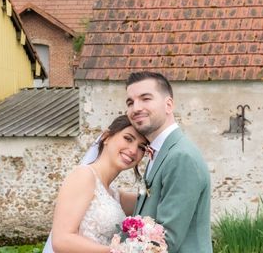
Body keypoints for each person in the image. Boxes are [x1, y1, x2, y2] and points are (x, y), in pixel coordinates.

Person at [126, 71, 212, 253]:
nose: (136, 108)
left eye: (146, 98)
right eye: (130, 102)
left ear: (169, 105)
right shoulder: (160, 152)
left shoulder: (181, 157)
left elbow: (165, 241)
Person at [43, 115, 148, 253]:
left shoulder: (115, 195)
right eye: (128, 139)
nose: (133, 151)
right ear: (106, 137)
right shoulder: (84, 176)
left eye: (142, 147)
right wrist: (117, 251)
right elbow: (61, 240)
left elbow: (153, 201)